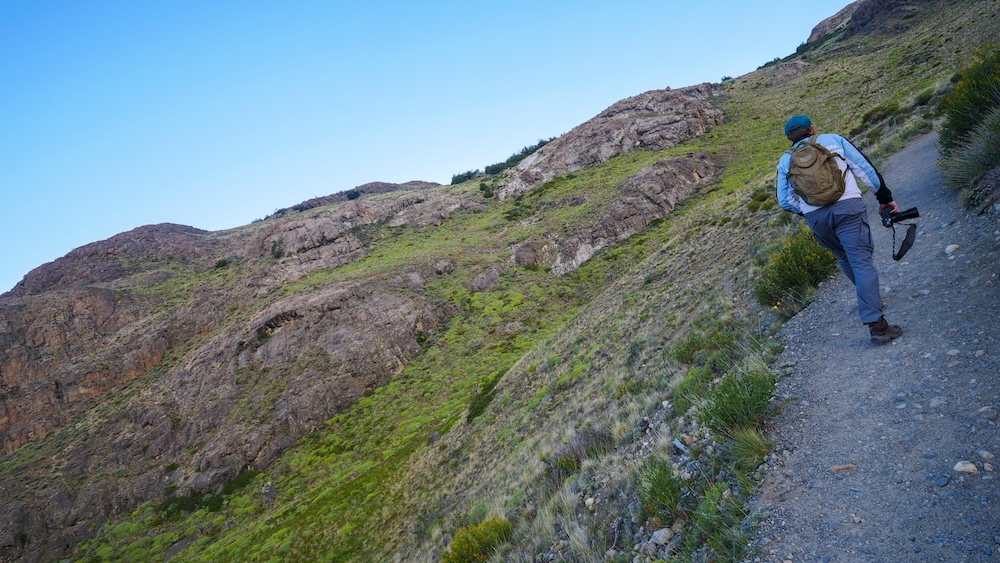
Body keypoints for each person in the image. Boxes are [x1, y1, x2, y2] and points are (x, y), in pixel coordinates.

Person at [775, 114, 903, 344]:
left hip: (817, 218)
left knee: (844, 257)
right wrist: (885, 198)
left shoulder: (786, 160)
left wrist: (806, 209)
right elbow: (865, 169)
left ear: (789, 138)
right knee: (862, 262)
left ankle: (869, 300)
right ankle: (877, 326)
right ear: (811, 129)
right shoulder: (834, 140)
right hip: (848, 209)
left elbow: (784, 201)